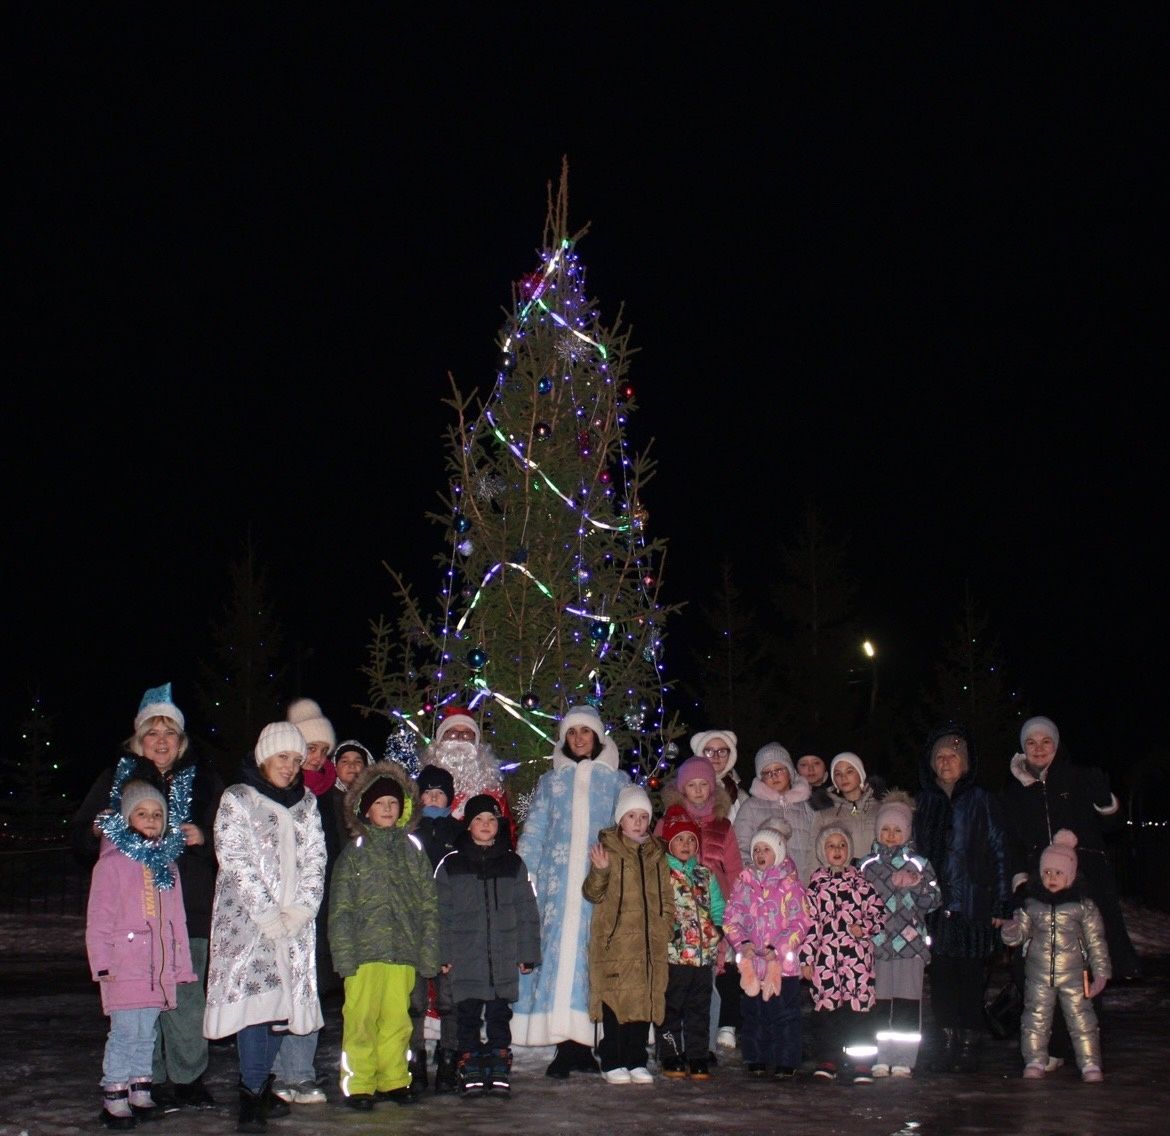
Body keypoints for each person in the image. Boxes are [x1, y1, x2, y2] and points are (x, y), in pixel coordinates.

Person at [71, 683, 223, 1112]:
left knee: (186, 1001)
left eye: (169, 733)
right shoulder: (117, 779)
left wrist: (206, 838)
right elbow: (82, 836)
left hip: (187, 909)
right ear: (139, 739)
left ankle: (188, 1078)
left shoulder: (206, 780)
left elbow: (231, 837)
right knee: (141, 1002)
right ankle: (145, 1080)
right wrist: (96, 831)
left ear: (181, 740)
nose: (161, 741)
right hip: (132, 918)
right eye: (152, 733)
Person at [203, 721, 326, 1133]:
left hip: (293, 926)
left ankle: (261, 1084)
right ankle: (251, 1092)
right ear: (263, 757)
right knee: (256, 1009)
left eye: (295, 760)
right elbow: (234, 858)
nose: (290, 767)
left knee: (281, 1012)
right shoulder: (239, 799)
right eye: (282, 758)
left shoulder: (306, 803)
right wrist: (266, 914)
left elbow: (316, 859)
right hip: (250, 927)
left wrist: (301, 910)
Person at [512, 704, 629, 1077]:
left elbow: (626, 829)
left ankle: (587, 1042)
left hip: (599, 884)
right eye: (572, 733)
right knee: (557, 956)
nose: (578, 739)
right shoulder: (552, 782)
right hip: (557, 883)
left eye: (585, 732)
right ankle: (564, 1045)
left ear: (597, 737)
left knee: (590, 958)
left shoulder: (616, 781)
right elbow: (536, 829)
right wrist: (525, 873)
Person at [87, 780, 197, 1129]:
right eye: (141, 813)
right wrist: (102, 964)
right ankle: (114, 1090)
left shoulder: (168, 865)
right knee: (124, 1031)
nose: (150, 820)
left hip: (158, 968)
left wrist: (181, 965)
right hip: (124, 965)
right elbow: (99, 919)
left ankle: (139, 1086)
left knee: (147, 1031)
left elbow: (177, 918)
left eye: (157, 814)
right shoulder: (111, 864)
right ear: (126, 817)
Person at [328, 760, 438, 1110]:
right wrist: (343, 954)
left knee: (397, 1020)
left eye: (393, 803)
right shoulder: (354, 854)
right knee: (360, 1019)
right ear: (366, 810)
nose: (387, 809)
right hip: (363, 955)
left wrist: (429, 950)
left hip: (402, 952)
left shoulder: (413, 851)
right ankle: (359, 1082)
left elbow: (428, 906)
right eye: (380, 804)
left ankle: (393, 1078)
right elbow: (341, 909)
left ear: (403, 807)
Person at [1000, 715, 1139, 981]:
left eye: (1046, 741)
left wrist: (1105, 801)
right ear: (1023, 748)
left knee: (1084, 967)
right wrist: (1019, 880)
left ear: (1057, 744)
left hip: (1084, 885)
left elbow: (1113, 825)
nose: (1039, 748)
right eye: (1031, 742)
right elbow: (1012, 841)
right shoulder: (1014, 791)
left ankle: (1085, 1020)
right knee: (1039, 971)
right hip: (1039, 888)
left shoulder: (1078, 778)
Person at [913, 723, 1012, 1075]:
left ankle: (970, 1041)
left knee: (970, 978)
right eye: (939, 757)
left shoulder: (982, 800)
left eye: (952, 756)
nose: (945, 763)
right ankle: (946, 1040)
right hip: (935, 909)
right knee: (941, 978)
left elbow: (1001, 852)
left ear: (965, 762)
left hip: (974, 905)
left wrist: (1002, 904)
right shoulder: (925, 802)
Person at [435, 793, 541, 1097]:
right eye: (479, 819)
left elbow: (527, 912)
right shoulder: (451, 865)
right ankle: (468, 1062)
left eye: (491, 819)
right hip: (465, 956)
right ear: (468, 825)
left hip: (502, 956)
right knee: (466, 1014)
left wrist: (527, 953)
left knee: (498, 1014)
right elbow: (440, 913)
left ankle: (497, 1060)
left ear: (499, 824)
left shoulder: (513, 863)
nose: (485, 825)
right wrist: (442, 953)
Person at [1000, 829, 1111, 1083]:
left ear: (1070, 876)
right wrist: (1010, 930)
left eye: (1058, 873)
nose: (1051, 878)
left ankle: (1090, 1063)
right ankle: (1035, 1060)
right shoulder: (1032, 905)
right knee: (1035, 1019)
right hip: (1039, 973)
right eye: (1047, 872)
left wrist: (1101, 972)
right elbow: (1019, 935)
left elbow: (1096, 941)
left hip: (1074, 974)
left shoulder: (1083, 907)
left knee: (1082, 1020)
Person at [271, 697, 338, 1103]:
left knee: (309, 988)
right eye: (310, 749)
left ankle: (301, 1071)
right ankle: (277, 1073)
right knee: (280, 990)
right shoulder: (277, 791)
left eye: (323, 751)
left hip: (318, 907)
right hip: (279, 909)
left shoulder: (330, 795)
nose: (316, 758)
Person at [583, 784, 674, 1085]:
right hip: (617, 942)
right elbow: (593, 894)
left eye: (643, 816)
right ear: (620, 819)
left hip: (649, 943)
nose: (638, 822)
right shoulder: (607, 849)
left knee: (643, 1002)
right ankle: (612, 1059)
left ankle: (637, 1059)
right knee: (616, 1001)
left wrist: (665, 925)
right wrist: (600, 871)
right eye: (631, 815)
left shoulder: (657, 854)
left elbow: (666, 896)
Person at [656, 753, 744, 1052]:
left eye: (702, 785)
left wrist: (728, 917)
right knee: (676, 989)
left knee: (707, 985)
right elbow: (656, 864)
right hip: (677, 925)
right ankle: (671, 1047)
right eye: (690, 784)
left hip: (711, 917)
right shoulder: (668, 821)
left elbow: (734, 872)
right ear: (682, 789)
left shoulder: (723, 826)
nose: (696, 790)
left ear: (712, 788)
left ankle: (701, 1045)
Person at [858, 791, 941, 1077]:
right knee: (880, 1002)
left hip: (909, 945)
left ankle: (903, 1058)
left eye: (897, 830)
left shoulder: (919, 863)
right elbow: (856, 902)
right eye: (885, 829)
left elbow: (933, 900)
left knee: (907, 1002)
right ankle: (881, 1056)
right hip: (877, 945)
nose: (891, 835)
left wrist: (917, 885)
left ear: (906, 832)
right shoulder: (866, 866)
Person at [723, 820, 810, 1080]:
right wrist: (743, 944)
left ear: (779, 853)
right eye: (756, 850)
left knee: (784, 1014)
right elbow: (731, 918)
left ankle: (786, 1059)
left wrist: (779, 948)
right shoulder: (744, 883)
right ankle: (756, 1056)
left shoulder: (790, 886)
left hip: (783, 966)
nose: (760, 854)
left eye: (766, 849)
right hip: (753, 966)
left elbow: (800, 921)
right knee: (754, 1014)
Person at [801, 824, 886, 1084]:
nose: (837, 850)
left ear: (849, 850)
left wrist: (864, 928)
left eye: (841, 845)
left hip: (856, 959)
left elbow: (879, 914)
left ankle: (862, 1062)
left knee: (859, 1011)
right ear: (822, 852)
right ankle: (828, 1058)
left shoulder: (861, 884)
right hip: (825, 958)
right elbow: (808, 925)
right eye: (831, 845)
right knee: (827, 1011)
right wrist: (806, 958)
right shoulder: (815, 887)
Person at [658, 805, 725, 1080]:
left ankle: (698, 1055)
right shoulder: (663, 875)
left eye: (690, 840)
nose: (686, 845)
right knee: (672, 1008)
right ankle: (671, 1054)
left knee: (699, 1008)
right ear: (670, 843)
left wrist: (717, 928)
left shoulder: (704, 874)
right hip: (675, 955)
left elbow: (718, 904)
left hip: (702, 956)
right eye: (680, 840)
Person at [410, 763, 465, 1092]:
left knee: (449, 999)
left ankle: (449, 1057)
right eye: (427, 792)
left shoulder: (458, 833)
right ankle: (414, 1058)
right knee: (414, 1000)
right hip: (416, 926)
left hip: (449, 926)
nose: (433, 797)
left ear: (449, 799)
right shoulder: (409, 833)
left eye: (439, 793)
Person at [420, 705, 516, 840]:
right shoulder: (422, 786)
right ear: (440, 741)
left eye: (466, 734)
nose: (459, 740)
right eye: (452, 733)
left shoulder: (491, 788)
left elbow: (507, 832)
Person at [733, 743, 816, 883]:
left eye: (779, 770)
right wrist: (754, 876)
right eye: (767, 773)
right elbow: (740, 847)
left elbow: (816, 847)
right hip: (765, 889)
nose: (774, 776)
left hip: (802, 886)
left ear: (789, 771)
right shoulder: (750, 807)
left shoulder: (807, 806)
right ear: (761, 777)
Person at [814, 752, 883, 862]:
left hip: (877, 876)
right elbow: (814, 857)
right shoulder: (824, 815)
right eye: (837, 774)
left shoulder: (882, 809)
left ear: (860, 774)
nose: (843, 777)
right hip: (840, 878)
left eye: (849, 771)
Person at [689, 729, 743, 821]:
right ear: (701, 754)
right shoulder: (687, 786)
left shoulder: (737, 791)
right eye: (709, 751)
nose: (716, 756)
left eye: (722, 751)